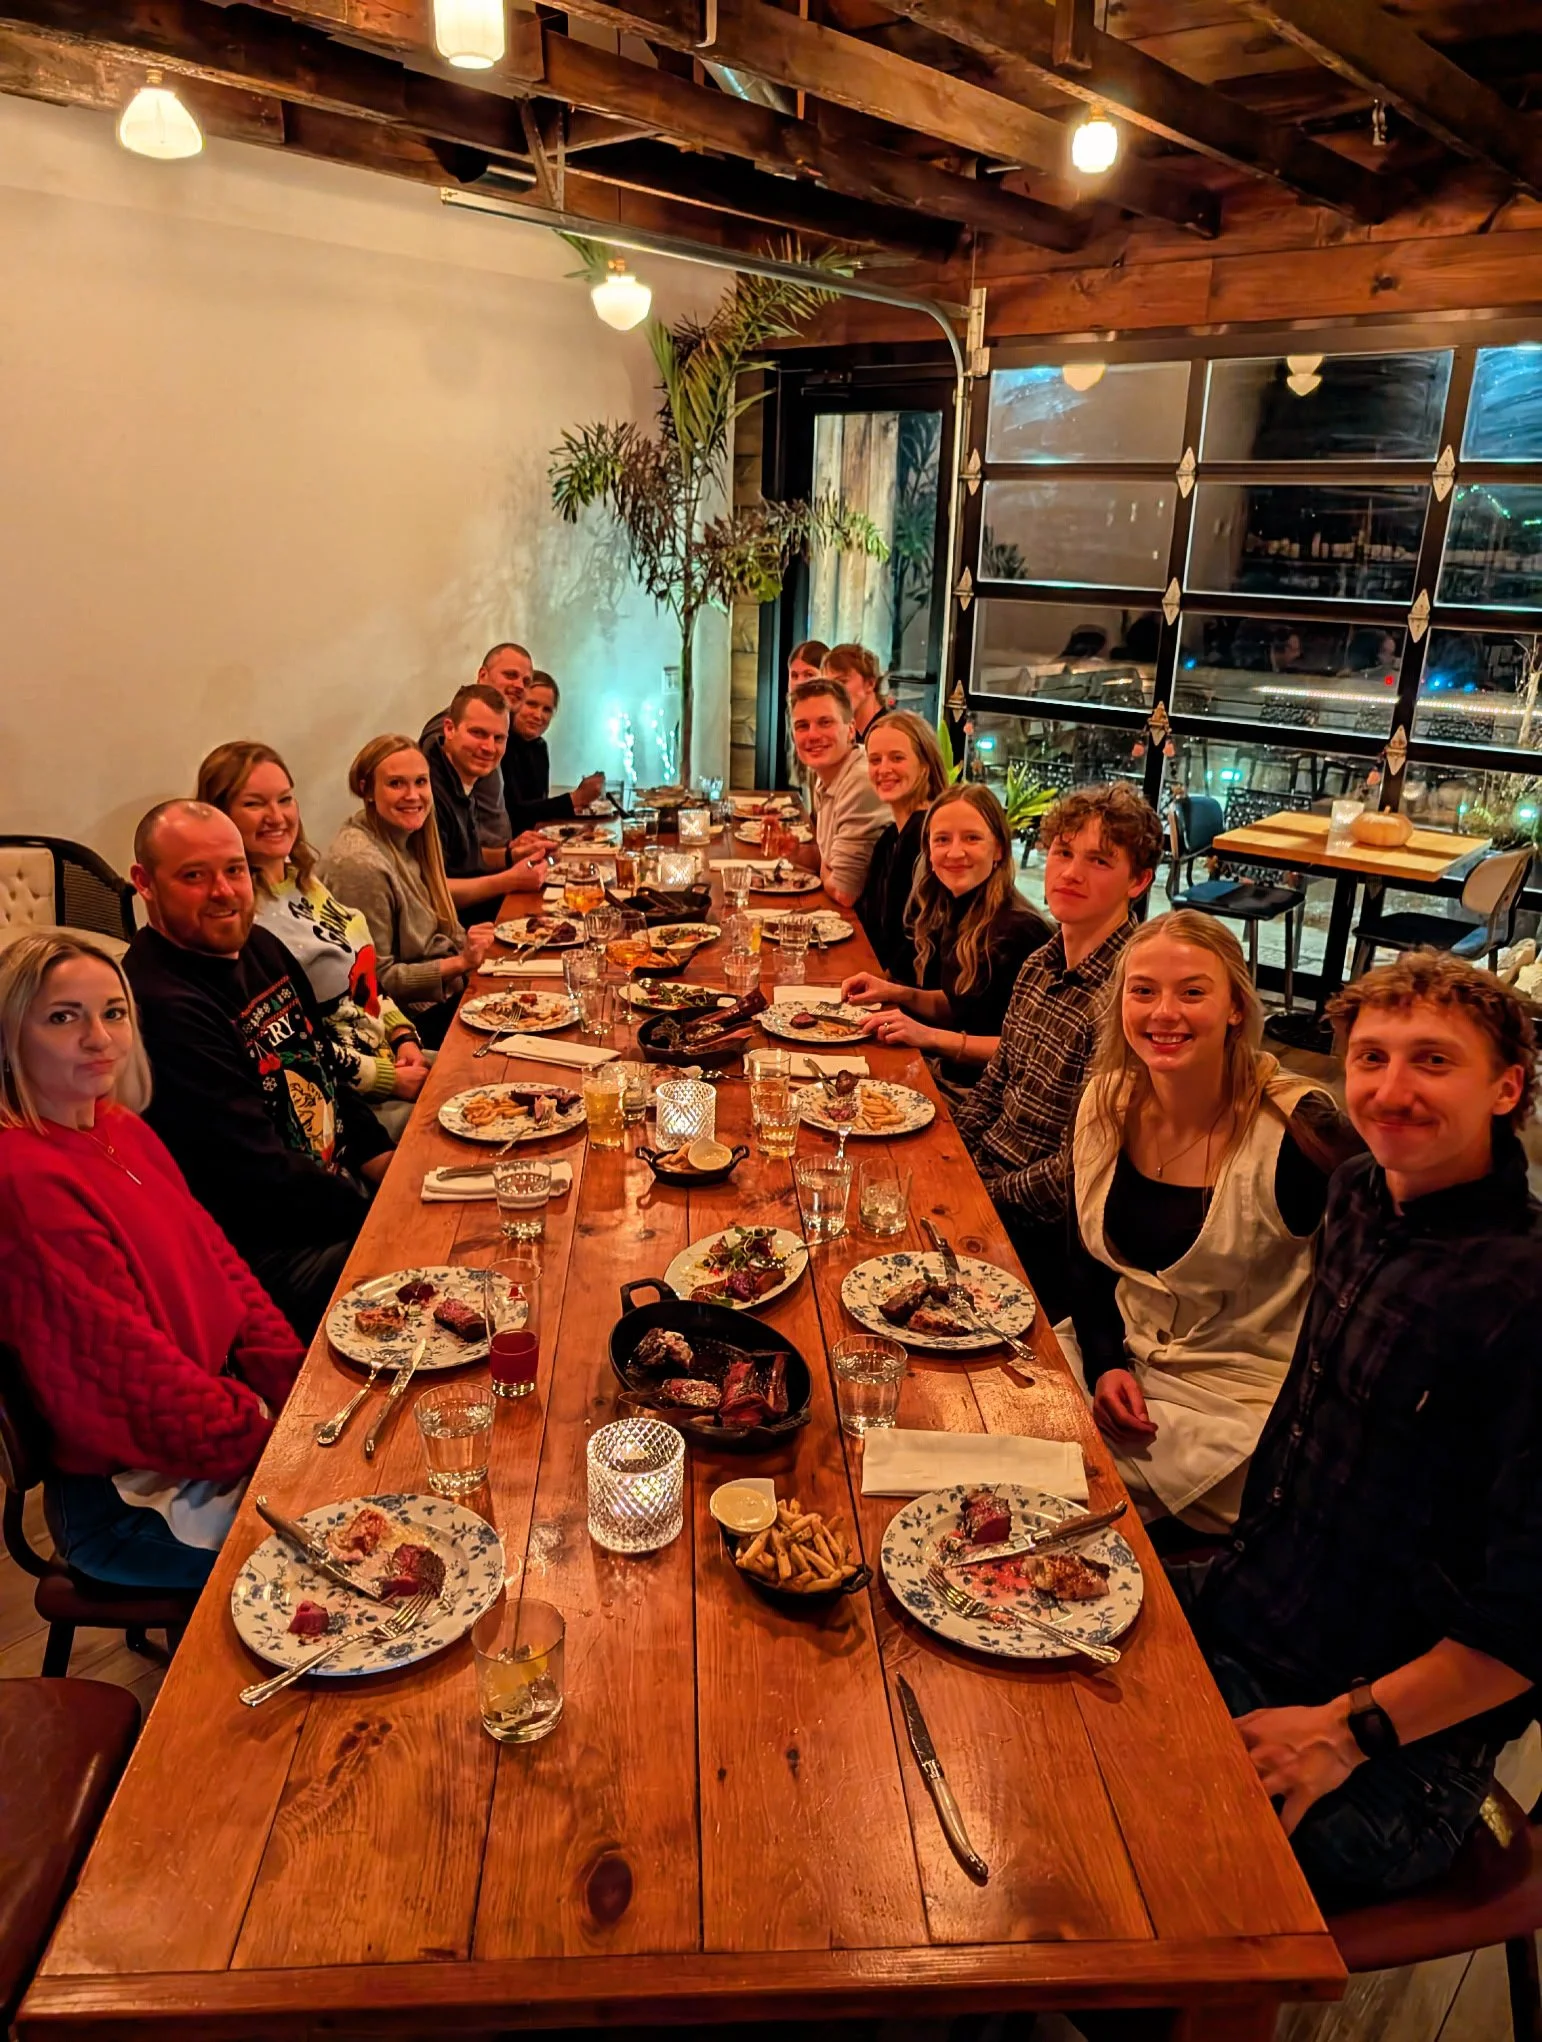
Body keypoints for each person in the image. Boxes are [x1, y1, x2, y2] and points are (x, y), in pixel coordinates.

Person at [1185, 951, 1542, 1903]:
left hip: (1387, 1745)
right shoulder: (1355, 1196)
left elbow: (1530, 1618)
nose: (1391, 1091)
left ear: (1507, 1087)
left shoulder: (1523, 1294)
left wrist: (1344, 1731)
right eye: (1371, 1058)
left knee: (1112, 1831)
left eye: (1433, 1061)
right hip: (1252, 1612)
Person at [0, 933, 303, 1589]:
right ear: (7, 1036)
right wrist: (277, 1434)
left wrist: (296, 1386)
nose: (98, 1038)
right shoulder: (22, 1179)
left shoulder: (119, 1126)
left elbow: (224, 1265)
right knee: (355, 1560)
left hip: (213, 1433)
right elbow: (133, 1384)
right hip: (133, 1496)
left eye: (113, 1012)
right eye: (62, 1017)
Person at [1062, 913, 1351, 1534]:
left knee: (1046, 1486)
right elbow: (1084, 1258)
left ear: (1236, 1009)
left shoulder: (1300, 1133)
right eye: (1143, 991)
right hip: (1122, 1365)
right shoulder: (1106, 1101)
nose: (1164, 1013)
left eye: (1192, 992)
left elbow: (1355, 1303)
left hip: (1238, 1414)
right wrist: (1105, 1363)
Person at [123, 802, 391, 1342]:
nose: (223, 891)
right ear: (144, 884)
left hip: (333, 1197)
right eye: (194, 876)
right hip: (272, 1252)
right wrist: (385, 1211)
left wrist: (384, 1158)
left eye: (234, 869)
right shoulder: (162, 1002)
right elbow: (257, 1176)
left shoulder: (260, 945)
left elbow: (323, 1067)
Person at [952, 782, 1163, 1321]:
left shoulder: (1129, 995)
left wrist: (983, 1194)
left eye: (1098, 860)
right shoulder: (1040, 962)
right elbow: (996, 1082)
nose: (1069, 873)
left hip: (1044, 1233)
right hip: (984, 1182)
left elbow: (1080, 1167)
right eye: (1063, 852)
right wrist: (954, 1160)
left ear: (1137, 882)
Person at [196, 741, 428, 1141]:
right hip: (352, 1100)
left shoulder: (303, 879)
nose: (276, 816)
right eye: (254, 804)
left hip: (391, 1057)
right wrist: (389, 1080)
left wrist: (403, 1034)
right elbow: (291, 1047)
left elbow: (365, 979)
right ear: (220, 815)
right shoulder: (243, 917)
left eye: (284, 799)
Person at [845, 784, 1050, 1095]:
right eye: (942, 839)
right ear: (928, 851)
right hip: (951, 1077)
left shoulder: (1017, 931)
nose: (955, 852)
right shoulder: (959, 907)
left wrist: (928, 1036)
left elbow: (1026, 1050)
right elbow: (963, 1005)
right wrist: (897, 992)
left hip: (982, 1097)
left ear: (998, 849)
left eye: (972, 838)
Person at [321, 736, 494, 1048]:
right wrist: (459, 963)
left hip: (443, 997)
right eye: (396, 784)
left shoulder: (411, 838)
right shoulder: (359, 865)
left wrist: (470, 944)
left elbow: (444, 931)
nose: (413, 795)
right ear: (366, 790)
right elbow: (374, 980)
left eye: (420, 782)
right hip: (403, 1028)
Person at [423, 684, 549, 910]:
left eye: (499, 738)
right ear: (449, 729)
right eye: (478, 733)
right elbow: (428, 891)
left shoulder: (463, 776)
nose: (489, 747)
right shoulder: (427, 789)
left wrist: (511, 855)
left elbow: (463, 858)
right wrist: (510, 880)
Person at [776, 677, 889, 909]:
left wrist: (827, 873)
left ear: (850, 730)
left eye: (825, 722)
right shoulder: (829, 777)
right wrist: (797, 853)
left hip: (869, 936)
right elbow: (827, 859)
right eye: (802, 726)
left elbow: (844, 891)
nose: (813, 735)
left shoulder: (860, 781)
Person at [852, 711, 947, 980]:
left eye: (897, 758)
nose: (884, 769)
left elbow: (916, 939)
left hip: (910, 996)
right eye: (875, 760)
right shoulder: (890, 837)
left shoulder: (926, 836)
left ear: (925, 765)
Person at [503, 672, 605, 830]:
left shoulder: (538, 747)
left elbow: (536, 809)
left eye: (547, 709)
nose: (538, 715)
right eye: (531, 704)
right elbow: (512, 815)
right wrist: (574, 799)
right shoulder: (499, 744)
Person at [823, 642, 889, 743]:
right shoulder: (841, 732)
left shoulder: (893, 732)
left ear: (870, 684)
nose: (832, 691)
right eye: (828, 684)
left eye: (842, 681)